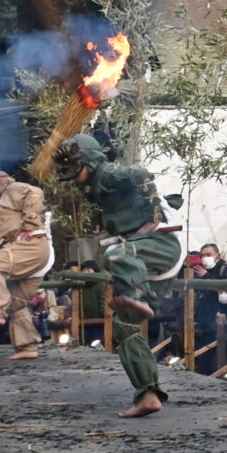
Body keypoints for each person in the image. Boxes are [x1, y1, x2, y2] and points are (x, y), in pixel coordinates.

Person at [61, 132, 183, 418]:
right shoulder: (96, 185)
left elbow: (140, 173)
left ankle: (138, 298)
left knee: (115, 255)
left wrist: (154, 215)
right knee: (123, 329)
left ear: (87, 161)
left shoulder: (106, 174)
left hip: (157, 246)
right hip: (139, 255)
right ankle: (148, 394)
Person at [0, 170, 53, 360]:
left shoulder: (12, 188)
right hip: (33, 251)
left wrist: (29, 223)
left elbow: (35, 193)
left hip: (30, 247)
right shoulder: (6, 201)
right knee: (14, 302)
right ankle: (27, 346)